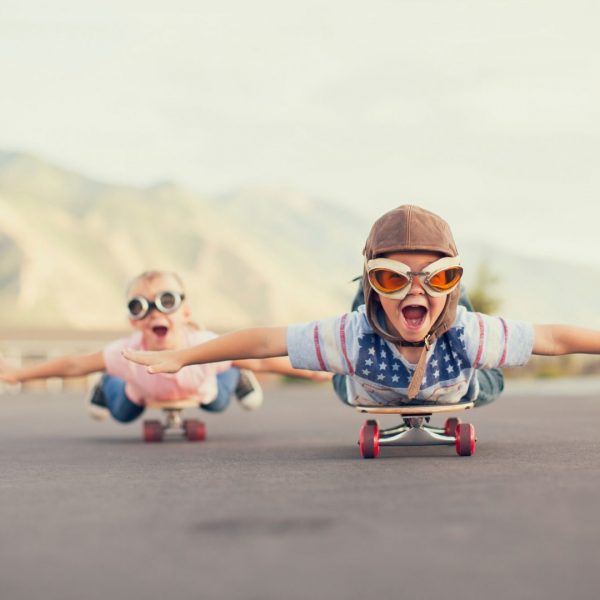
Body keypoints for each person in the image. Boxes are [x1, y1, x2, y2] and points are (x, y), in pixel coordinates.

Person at [121, 206, 600, 408]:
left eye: (439, 274)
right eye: (391, 276)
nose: (414, 289)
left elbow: (553, 339)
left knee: (456, 326)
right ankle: (398, 286)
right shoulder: (349, 340)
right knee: (378, 315)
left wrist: (420, 290)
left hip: (456, 372)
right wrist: (183, 355)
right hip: (366, 372)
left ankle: (428, 285)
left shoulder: (469, 337)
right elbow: (267, 340)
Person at [0, 270, 328, 423]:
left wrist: (316, 371)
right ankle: (106, 385)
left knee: (219, 397)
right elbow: (74, 365)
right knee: (123, 413)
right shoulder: (126, 353)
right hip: (142, 392)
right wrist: (18, 374)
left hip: (201, 387)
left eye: (165, 302)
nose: (155, 312)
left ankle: (233, 377)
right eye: (140, 306)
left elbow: (261, 361)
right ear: (133, 320)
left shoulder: (202, 345)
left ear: (185, 313)